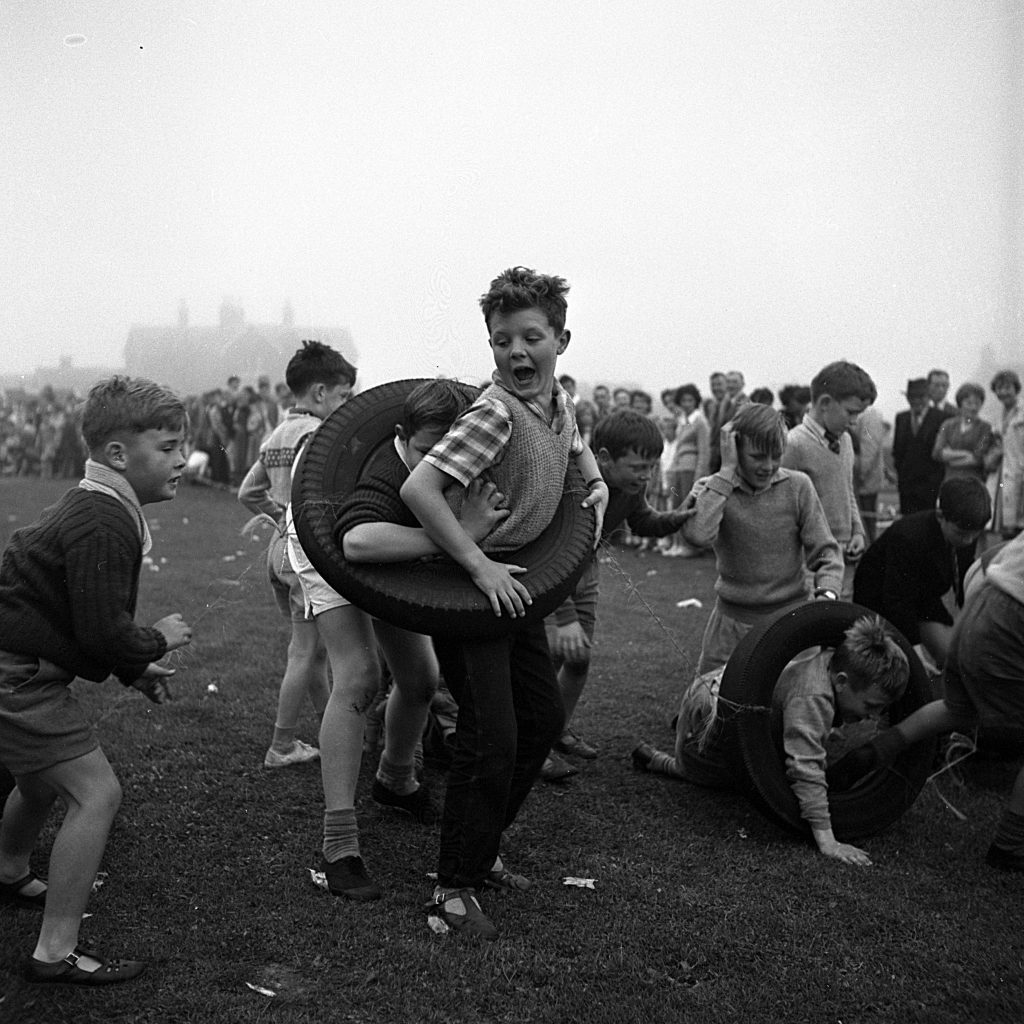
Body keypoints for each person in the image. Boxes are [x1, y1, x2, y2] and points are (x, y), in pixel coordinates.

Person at [400, 266, 608, 940]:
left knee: (540, 720)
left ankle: (479, 851)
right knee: (491, 736)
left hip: (518, 588)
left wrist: (597, 480)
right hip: (473, 591)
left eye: (531, 338)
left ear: (561, 340)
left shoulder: (559, 403)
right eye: (501, 342)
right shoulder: (494, 411)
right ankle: (451, 888)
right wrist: (478, 562)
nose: (516, 353)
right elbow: (420, 491)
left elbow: (572, 443)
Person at [0, 376, 192, 984]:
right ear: (116, 454)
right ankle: (54, 953)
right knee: (95, 793)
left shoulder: (99, 504)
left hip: (16, 666)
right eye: (166, 447)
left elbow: (87, 623)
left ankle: (8, 871)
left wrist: (136, 670)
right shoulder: (104, 518)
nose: (183, 459)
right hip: (16, 676)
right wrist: (157, 639)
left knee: (38, 781)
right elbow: (103, 633)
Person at [281, 345, 444, 903]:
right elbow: (355, 541)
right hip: (325, 540)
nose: (434, 463)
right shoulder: (373, 464)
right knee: (358, 677)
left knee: (422, 678)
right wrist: (448, 535)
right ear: (401, 434)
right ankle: (339, 842)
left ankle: (396, 780)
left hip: (386, 550)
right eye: (424, 450)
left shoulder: (453, 455)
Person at [634, 615, 909, 866]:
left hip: (711, 693)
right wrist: (828, 840)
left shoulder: (829, 658)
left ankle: (675, 749)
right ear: (841, 681)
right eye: (871, 706)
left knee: (768, 758)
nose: (872, 717)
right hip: (708, 731)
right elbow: (805, 766)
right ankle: (665, 763)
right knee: (742, 779)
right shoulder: (814, 696)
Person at [830, 530, 1024, 872]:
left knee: (957, 708)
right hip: (1010, 621)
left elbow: (988, 561)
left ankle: (872, 753)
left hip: (983, 604)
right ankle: (1011, 844)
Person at [541, 410, 695, 781]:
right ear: (604, 458)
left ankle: (557, 730)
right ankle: (536, 748)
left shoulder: (630, 487)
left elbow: (642, 521)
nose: (646, 476)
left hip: (586, 573)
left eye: (651, 468)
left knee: (579, 660)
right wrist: (563, 617)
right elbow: (550, 553)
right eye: (638, 466)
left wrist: (679, 517)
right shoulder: (575, 486)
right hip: (552, 577)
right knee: (545, 664)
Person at [238, 342, 357, 769]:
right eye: (344, 397)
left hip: (278, 553)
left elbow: (248, 492)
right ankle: (282, 746)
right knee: (304, 653)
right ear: (321, 392)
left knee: (313, 652)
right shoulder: (317, 436)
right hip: (304, 558)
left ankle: (332, 726)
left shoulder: (277, 434)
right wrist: (294, 520)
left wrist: (279, 518)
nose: (346, 406)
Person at [675, 402, 843, 679]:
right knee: (713, 706)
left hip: (790, 623)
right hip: (730, 625)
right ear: (735, 448)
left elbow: (826, 551)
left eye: (776, 456)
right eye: (757, 456)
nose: (768, 466)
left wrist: (826, 593)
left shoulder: (798, 486)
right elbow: (697, 535)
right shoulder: (712, 488)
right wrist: (726, 472)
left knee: (790, 706)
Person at [853, 477, 990, 671]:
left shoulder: (964, 529)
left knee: (955, 657)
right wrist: (915, 654)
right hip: (880, 601)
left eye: (974, 534)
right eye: (961, 533)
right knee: (907, 670)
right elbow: (897, 601)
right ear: (941, 516)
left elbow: (964, 579)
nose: (968, 540)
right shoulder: (908, 537)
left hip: (922, 598)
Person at [781, 360, 876, 599]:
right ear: (824, 403)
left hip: (845, 558)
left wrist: (857, 531)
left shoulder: (845, 441)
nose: (855, 421)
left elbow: (847, 491)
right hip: (810, 563)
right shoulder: (793, 444)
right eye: (851, 412)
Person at [663, 383, 709, 558]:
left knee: (688, 507)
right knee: (677, 506)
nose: (687, 403)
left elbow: (704, 451)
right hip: (679, 468)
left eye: (690, 400)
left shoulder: (700, 421)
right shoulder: (683, 422)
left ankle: (689, 546)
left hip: (692, 468)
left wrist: (700, 475)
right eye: (683, 400)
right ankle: (677, 543)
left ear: (696, 401)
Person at [892, 378, 948, 515]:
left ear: (928, 397)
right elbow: (897, 452)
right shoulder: (901, 418)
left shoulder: (942, 418)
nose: (916, 401)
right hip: (907, 487)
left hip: (931, 487)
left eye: (921, 397)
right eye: (912, 397)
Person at [985, 370, 1024, 540]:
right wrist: (988, 453)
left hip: (1020, 472)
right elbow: (984, 442)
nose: (1003, 392)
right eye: (999, 389)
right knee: (1006, 526)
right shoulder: (996, 417)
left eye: (1007, 387)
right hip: (1001, 475)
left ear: (1016, 389)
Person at [931, 382, 993, 483]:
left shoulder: (986, 428)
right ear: (960, 404)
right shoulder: (947, 425)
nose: (973, 408)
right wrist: (966, 453)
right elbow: (937, 452)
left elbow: (978, 457)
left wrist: (950, 458)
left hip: (974, 483)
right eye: (969, 403)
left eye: (977, 403)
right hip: (950, 482)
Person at [850, 402, 887, 544]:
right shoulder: (857, 413)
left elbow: (869, 450)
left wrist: (860, 476)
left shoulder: (869, 415)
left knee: (865, 524)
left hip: (863, 483)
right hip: (857, 480)